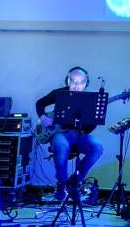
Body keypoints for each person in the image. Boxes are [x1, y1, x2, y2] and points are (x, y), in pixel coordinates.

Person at [35, 66, 104, 201]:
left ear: (86, 83)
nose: (77, 85)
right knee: (61, 145)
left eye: (81, 82)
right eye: (73, 81)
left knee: (97, 146)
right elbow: (40, 103)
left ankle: (74, 182)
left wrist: (92, 117)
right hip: (60, 134)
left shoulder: (90, 99)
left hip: (78, 134)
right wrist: (42, 116)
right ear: (67, 81)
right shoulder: (59, 93)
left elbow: (89, 128)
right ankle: (61, 185)